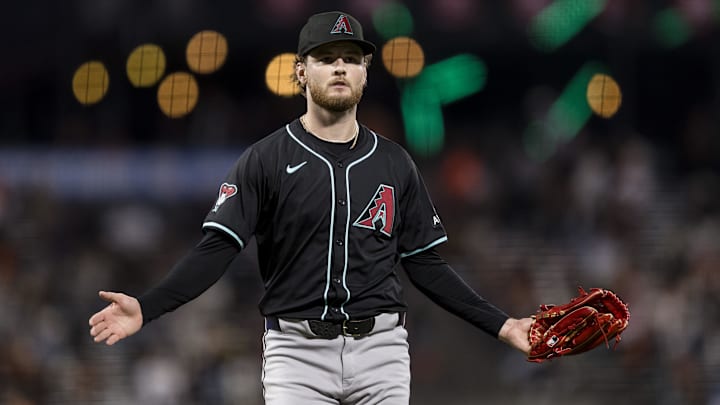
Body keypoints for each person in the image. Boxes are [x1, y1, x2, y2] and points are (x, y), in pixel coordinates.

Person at [89, 10, 533, 404]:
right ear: (301, 72)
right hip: (297, 356)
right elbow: (215, 250)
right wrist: (148, 307)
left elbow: (426, 265)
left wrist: (504, 325)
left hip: (382, 352)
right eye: (326, 58)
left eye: (351, 58)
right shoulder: (266, 160)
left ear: (365, 72)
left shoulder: (395, 163)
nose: (340, 67)